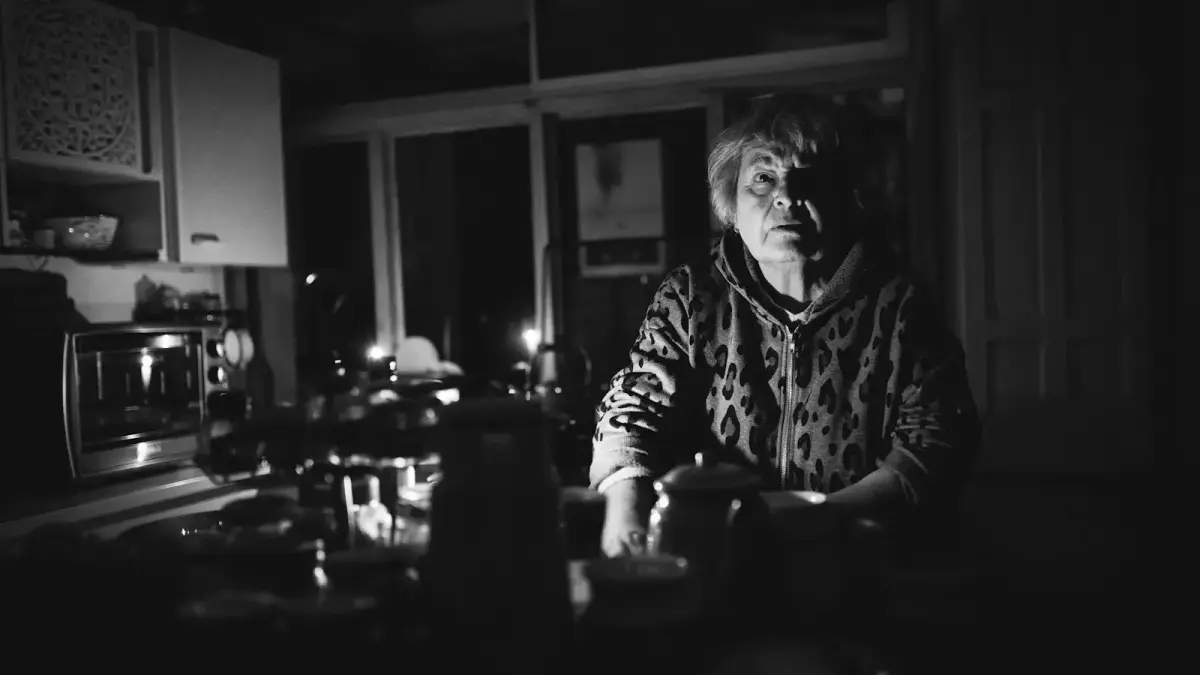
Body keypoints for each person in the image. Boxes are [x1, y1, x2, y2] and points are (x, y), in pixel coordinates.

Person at [590, 93, 980, 557]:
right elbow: (633, 408)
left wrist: (812, 523)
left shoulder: (900, 306)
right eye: (763, 177)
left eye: (810, 178)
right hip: (710, 552)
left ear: (847, 197)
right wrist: (626, 511)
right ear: (732, 206)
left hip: (855, 557)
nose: (787, 196)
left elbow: (936, 442)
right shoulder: (691, 297)